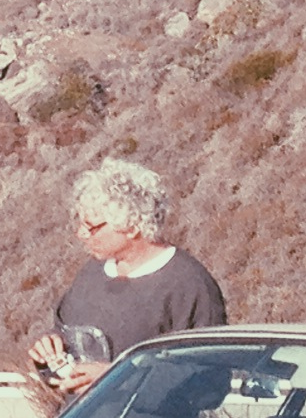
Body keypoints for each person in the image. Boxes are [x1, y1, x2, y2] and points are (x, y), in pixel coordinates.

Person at [28, 159, 226, 396]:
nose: (80, 234)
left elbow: (211, 381)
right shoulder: (90, 275)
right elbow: (65, 338)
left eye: (92, 227)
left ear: (132, 226)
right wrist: (48, 352)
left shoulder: (188, 285)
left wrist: (118, 378)